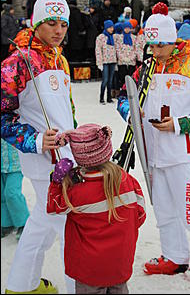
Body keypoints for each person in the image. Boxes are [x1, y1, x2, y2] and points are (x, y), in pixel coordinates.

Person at [117, 2, 190, 283]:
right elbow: (124, 96)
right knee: (164, 211)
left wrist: (180, 125)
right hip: (153, 154)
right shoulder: (148, 67)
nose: (153, 52)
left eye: (158, 46)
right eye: (150, 46)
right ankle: (175, 256)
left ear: (172, 41)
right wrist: (132, 113)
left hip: (183, 155)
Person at [1, 0, 76, 294]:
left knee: (41, 225)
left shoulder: (60, 59)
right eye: (51, 23)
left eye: (63, 24)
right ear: (36, 22)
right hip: (44, 161)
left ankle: (22, 285)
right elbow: (3, 115)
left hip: (67, 155)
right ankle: (80, 288)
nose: (58, 31)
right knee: (69, 228)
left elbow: (66, 110)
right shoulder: (18, 62)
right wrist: (33, 140)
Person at [47, 123, 146, 294]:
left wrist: (57, 182)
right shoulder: (127, 181)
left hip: (89, 271)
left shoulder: (76, 193)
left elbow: (53, 206)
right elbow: (140, 215)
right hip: (119, 265)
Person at [1, 139, 30, 241]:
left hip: (15, 165)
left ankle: (23, 223)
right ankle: (7, 223)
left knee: (12, 193)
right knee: (2, 196)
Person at [95, 20, 117, 104]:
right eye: (110, 27)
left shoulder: (113, 37)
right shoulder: (101, 37)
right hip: (104, 61)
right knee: (105, 80)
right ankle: (101, 97)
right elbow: (98, 50)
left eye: (112, 27)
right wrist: (99, 63)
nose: (112, 29)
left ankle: (109, 97)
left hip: (112, 61)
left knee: (110, 81)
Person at [115, 21, 137, 88]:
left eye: (128, 28)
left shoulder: (134, 38)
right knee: (122, 78)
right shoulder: (119, 38)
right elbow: (118, 49)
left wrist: (131, 58)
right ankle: (123, 92)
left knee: (131, 78)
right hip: (122, 62)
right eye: (125, 28)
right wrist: (123, 58)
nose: (127, 29)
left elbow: (136, 49)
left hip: (131, 62)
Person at [65, 0, 86, 64]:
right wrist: (82, 29)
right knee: (76, 47)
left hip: (68, 31)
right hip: (75, 32)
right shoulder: (76, 11)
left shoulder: (67, 11)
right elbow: (78, 22)